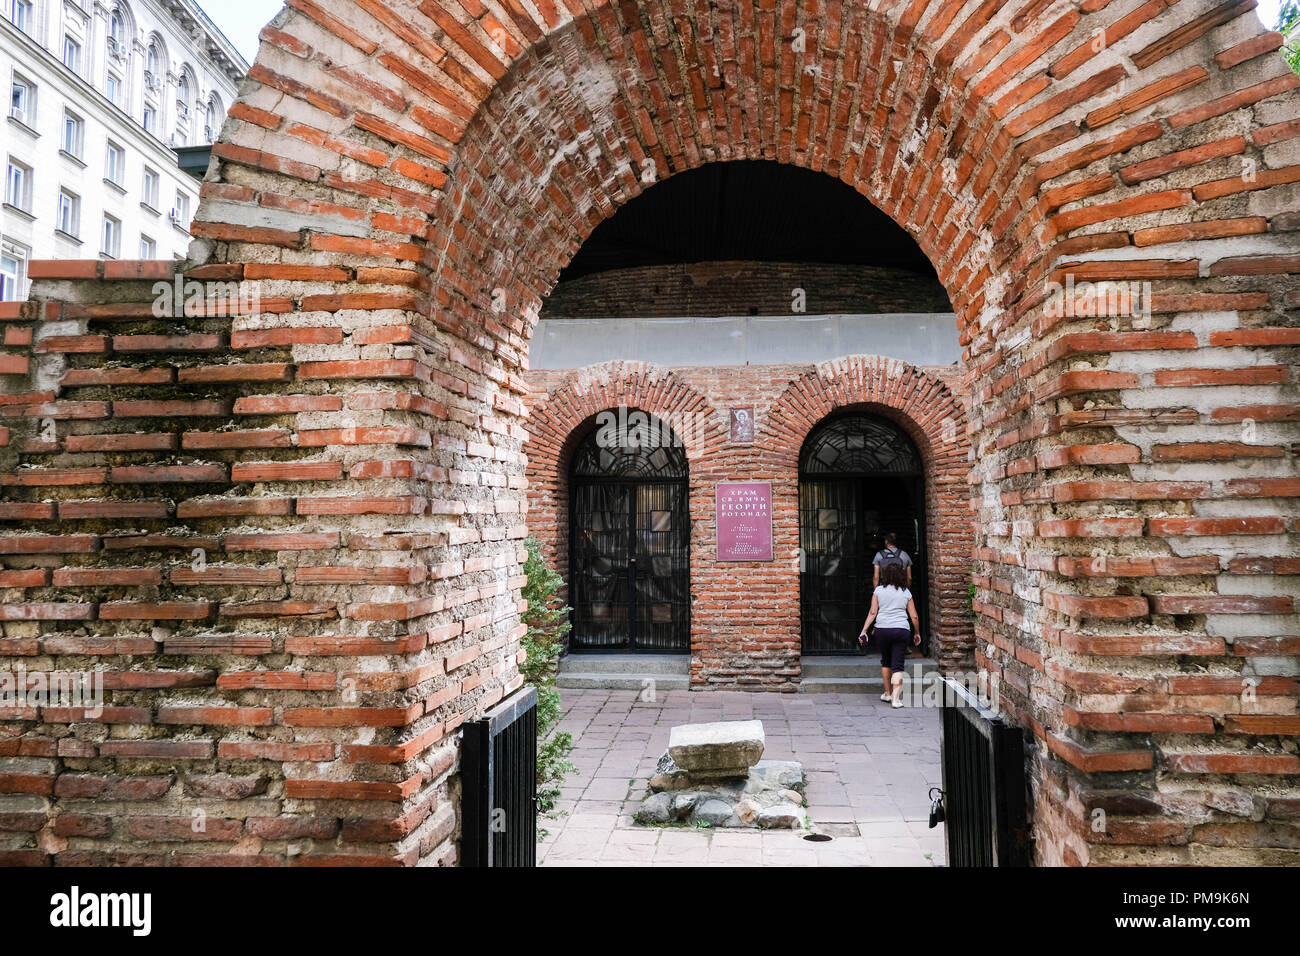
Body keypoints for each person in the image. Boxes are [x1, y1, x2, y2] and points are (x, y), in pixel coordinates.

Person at [860, 561, 921, 708]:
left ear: (885, 575)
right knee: (898, 664)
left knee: (886, 661)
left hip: (882, 630)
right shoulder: (906, 592)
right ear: (901, 575)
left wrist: (864, 630)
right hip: (901, 630)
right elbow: (914, 616)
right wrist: (917, 632)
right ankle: (895, 699)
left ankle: (887, 693)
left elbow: (873, 612)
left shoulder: (878, 591)